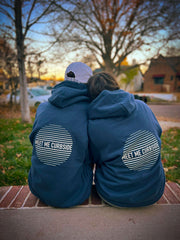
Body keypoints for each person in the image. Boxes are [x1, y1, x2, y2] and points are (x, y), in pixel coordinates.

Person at [87, 72, 165, 207]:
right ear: (116, 86)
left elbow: (94, 160)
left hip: (114, 194)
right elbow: (157, 133)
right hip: (153, 190)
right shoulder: (142, 107)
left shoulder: (94, 125)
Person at [28, 62, 93, 208]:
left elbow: (34, 141)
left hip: (38, 187)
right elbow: (95, 153)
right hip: (76, 192)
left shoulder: (43, 107)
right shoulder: (90, 110)